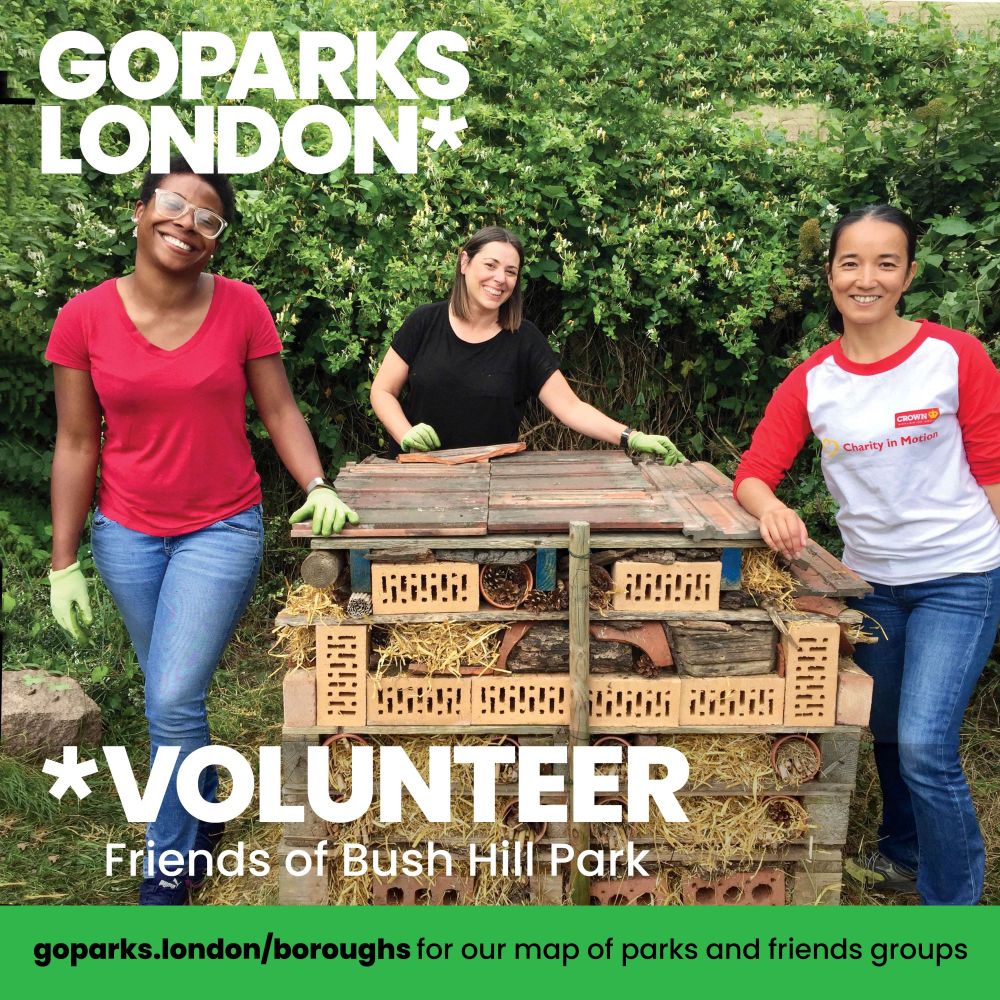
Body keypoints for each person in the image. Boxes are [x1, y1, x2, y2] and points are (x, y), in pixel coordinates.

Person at [45, 156, 358, 905]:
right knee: (170, 694)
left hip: (220, 528)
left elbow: (279, 410)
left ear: (217, 240)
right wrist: (64, 560)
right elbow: (76, 442)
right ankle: (208, 791)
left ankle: (166, 882)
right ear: (140, 210)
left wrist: (317, 483)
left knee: (173, 698)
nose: (187, 223)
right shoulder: (82, 317)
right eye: (175, 204)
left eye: (207, 217)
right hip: (125, 532)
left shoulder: (242, 306)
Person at [734, 204, 1000, 905]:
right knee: (885, 730)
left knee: (923, 745)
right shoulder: (813, 382)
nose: (867, 278)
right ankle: (904, 851)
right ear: (831, 277)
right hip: (873, 585)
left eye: (886, 262)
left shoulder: (955, 357)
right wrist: (774, 508)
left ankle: (955, 909)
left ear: (908, 274)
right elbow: (754, 474)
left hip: (960, 577)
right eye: (851, 262)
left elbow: (995, 469)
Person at [370, 225, 685, 461]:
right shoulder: (424, 321)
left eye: (510, 272)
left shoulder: (524, 339)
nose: (500, 279)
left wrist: (631, 436)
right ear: (465, 262)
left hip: (493, 481)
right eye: (490, 265)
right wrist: (405, 433)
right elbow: (382, 391)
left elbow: (571, 408)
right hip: (416, 472)